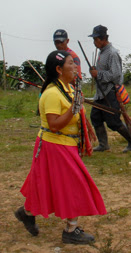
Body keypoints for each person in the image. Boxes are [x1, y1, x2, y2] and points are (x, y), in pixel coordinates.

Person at [15, 50, 106, 245]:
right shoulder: (51, 94)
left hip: (67, 144)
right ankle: (71, 229)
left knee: (48, 185)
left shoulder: (68, 89)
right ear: (58, 69)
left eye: (75, 64)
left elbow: (76, 113)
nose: (75, 67)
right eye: (71, 64)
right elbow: (54, 124)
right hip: (54, 144)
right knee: (74, 185)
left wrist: (84, 125)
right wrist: (74, 107)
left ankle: (27, 212)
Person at [88, 25, 131, 152]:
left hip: (109, 93)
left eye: (95, 39)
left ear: (103, 39)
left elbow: (116, 76)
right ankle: (103, 144)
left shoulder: (112, 53)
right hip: (100, 94)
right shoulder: (102, 52)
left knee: (113, 121)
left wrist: (98, 74)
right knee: (95, 117)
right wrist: (95, 71)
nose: (94, 42)